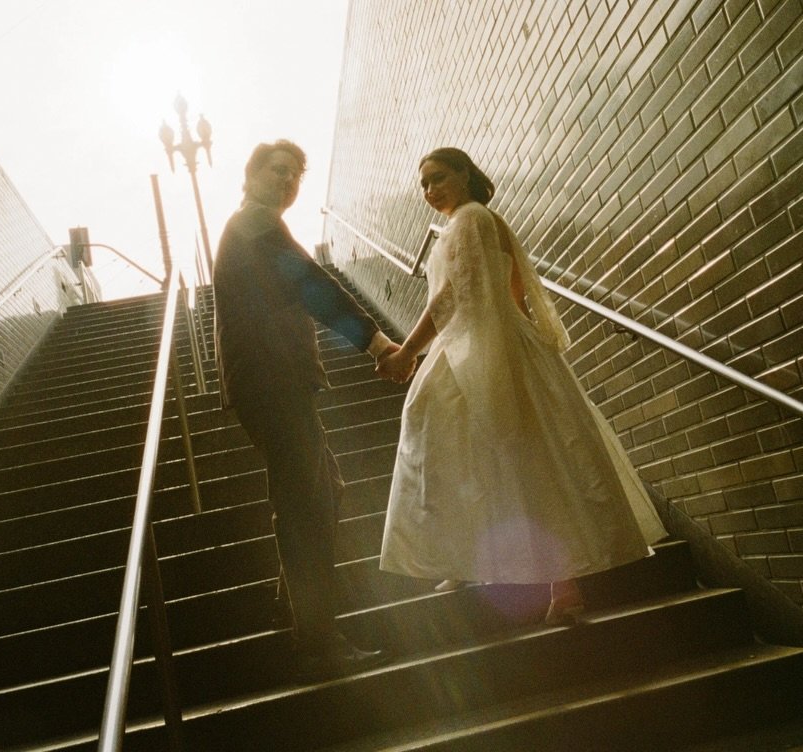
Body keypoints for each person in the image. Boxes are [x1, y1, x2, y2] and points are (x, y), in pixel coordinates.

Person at [376, 147, 668, 625]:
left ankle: (477, 564)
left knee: (461, 453)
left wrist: (407, 351)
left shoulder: (469, 220)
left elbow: (452, 297)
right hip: (504, 342)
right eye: (424, 184)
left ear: (467, 176)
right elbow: (512, 292)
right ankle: (559, 587)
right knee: (535, 462)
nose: (430, 190)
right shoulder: (487, 220)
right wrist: (524, 342)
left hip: (479, 347)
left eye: (440, 178)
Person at [213, 139, 395, 679]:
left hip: (273, 380)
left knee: (323, 491)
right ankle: (316, 638)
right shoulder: (252, 224)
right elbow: (312, 286)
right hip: (271, 380)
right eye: (277, 170)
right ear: (249, 176)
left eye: (295, 175)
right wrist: (377, 343)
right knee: (306, 503)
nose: (288, 180)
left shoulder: (257, 227)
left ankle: (292, 610)